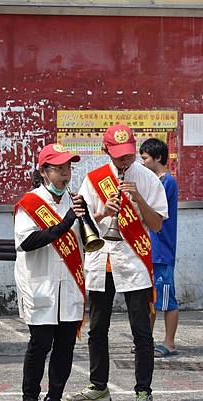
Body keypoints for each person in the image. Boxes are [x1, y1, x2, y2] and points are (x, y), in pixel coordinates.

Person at [65, 124, 167, 401]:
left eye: (129, 155)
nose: (125, 160)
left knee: (142, 331)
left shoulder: (147, 179)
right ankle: (99, 385)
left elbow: (157, 225)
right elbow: (81, 223)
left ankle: (143, 390)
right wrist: (102, 212)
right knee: (98, 329)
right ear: (105, 151)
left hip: (134, 262)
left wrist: (138, 199)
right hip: (101, 260)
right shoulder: (93, 179)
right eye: (119, 155)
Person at [14, 144, 94, 401]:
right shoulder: (29, 203)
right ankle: (30, 396)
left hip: (70, 284)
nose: (65, 174)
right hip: (41, 286)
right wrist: (66, 221)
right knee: (40, 346)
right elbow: (28, 242)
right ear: (44, 171)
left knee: (65, 348)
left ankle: (55, 396)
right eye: (58, 168)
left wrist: (86, 217)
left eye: (68, 168)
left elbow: (90, 240)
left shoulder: (74, 202)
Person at [139, 138, 179, 358]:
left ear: (158, 158)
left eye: (145, 158)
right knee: (150, 299)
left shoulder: (166, 182)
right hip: (149, 249)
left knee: (167, 299)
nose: (142, 162)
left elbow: (153, 210)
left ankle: (169, 342)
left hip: (161, 250)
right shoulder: (154, 181)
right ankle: (146, 340)